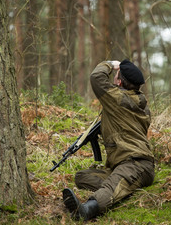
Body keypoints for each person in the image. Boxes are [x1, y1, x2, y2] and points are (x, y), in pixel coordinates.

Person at [62, 59, 155, 221]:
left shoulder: (116, 98)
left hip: (137, 164)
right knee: (82, 177)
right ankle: (124, 187)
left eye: (116, 75)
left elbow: (96, 77)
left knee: (111, 187)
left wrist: (111, 64)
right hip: (121, 165)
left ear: (118, 82)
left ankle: (85, 210)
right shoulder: (142, 106)